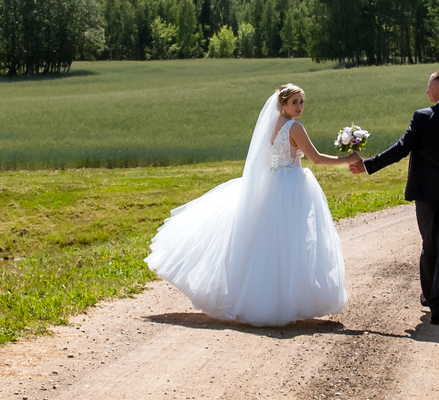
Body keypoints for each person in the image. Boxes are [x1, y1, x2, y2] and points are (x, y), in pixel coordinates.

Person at [146, 83, 357, 325]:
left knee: (268, 243)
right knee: (290, 244)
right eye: (294, 102)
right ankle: (282, 301)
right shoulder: (294, 127)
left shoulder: (271, 124)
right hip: (291, 186)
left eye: (302, 102)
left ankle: (267, 299)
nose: (299, 107)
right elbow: (317, 159)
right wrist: (347, 158)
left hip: (272, 183)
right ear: (283, 104)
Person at [349, 68, 439, 325]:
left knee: (430, 246)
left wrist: (368, 165)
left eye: (429, 86)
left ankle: (429, 295)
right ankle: (438, 307)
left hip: (428, 194)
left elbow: (401, 149)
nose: (426, 91)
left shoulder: (423, 117)